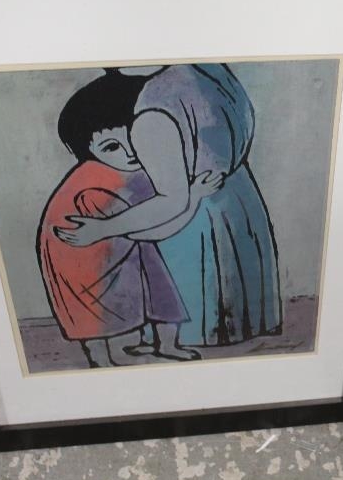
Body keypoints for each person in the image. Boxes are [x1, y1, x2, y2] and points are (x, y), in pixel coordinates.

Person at [56, 64, 281, 347]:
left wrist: (104, 228)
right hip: (240, 201)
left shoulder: (152, 107)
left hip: (193, 222)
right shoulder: (209, 70)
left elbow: (172, 201)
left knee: (194, 319)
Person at [40, 71, 221, 368]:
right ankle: (101, 359)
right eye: (112, 147)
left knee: (159, 286)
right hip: (83, 256)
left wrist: (189, 195)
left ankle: (165, 344)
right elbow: (155, 229)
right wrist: (195, 196)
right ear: (89, 152)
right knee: (95, 309)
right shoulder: (100, 183)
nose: (130, 152)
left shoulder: (133, 172)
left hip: (119, 243)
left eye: (135, 140)